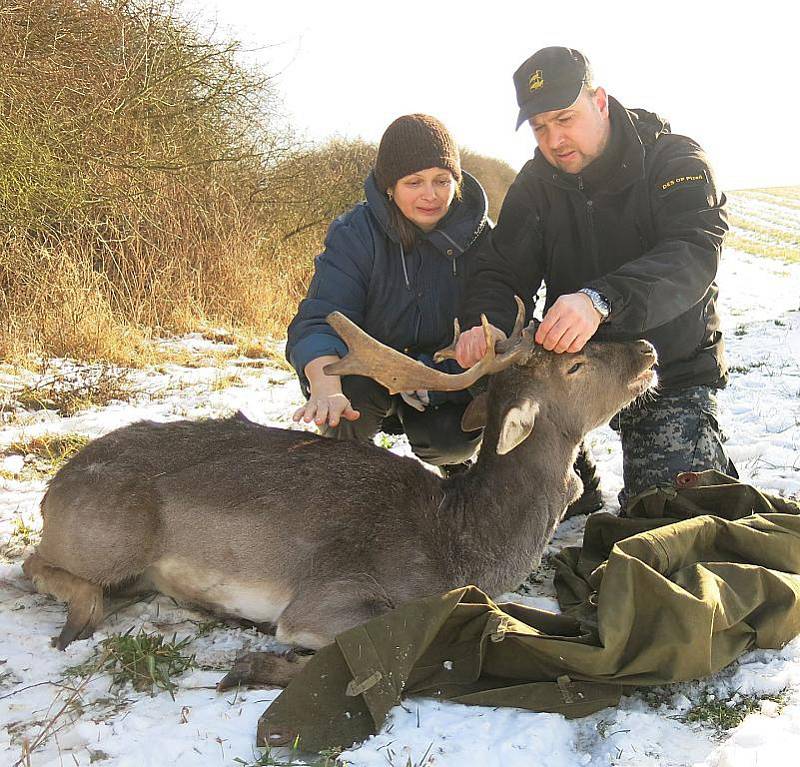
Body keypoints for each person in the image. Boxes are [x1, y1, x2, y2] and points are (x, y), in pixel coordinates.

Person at [454, 46, 736, 509]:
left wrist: (601, 299)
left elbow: (693, 254)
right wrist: (483, 325)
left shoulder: (674, 161)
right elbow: (502, 271)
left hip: (664, 366)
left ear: (600, 101)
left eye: (565, 119)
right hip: (568, 373)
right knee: (518, 494)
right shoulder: (535, 184)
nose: (554, 140)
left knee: (665, 513)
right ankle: (573, 481)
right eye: (540, 127)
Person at [286, 114, 489, 475]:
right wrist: (324, 385)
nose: (431, 195)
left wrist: (432, 377)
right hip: (367, 377)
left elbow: (488, 323)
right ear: (389, 187)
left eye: (442, 180)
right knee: (345, 410)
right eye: (414, 182)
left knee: (451, 442)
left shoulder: (482, 237)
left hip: (440, 382)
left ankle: (456, 468)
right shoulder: (355, 234)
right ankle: (343, 476)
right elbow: (320, 318)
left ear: (456, 183)